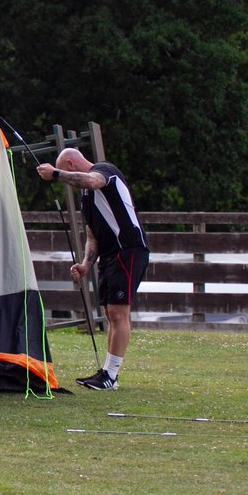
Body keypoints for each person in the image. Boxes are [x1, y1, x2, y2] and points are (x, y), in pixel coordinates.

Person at [37, 148, 149, 390]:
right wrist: (85, 263)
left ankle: (111, 375)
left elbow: (89, 179)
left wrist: (55, 174)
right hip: (109, 256)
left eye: (65, 171)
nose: (68, 181)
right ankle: (107, 373)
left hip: (128, 250)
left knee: (119, 314)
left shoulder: (104, 172)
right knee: (110, 314)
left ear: (70, 162)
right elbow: (92, 236)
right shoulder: (87, 198)